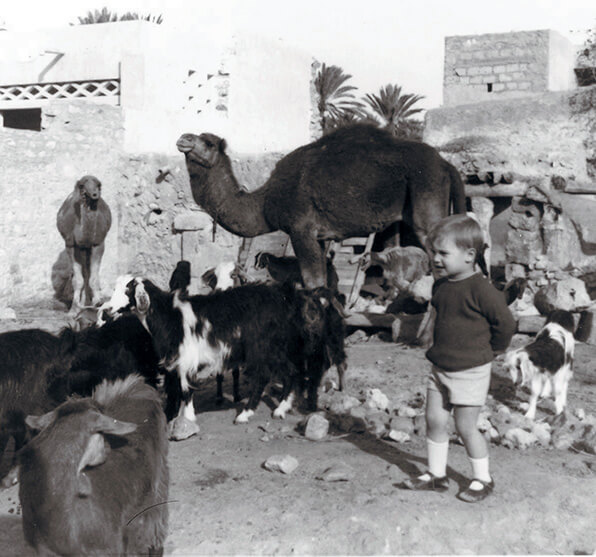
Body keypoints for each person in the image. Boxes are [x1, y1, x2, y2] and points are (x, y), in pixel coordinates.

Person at [400, 214, 516, 502]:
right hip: (439, 367)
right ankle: (437, 475)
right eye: (433, 252)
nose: (436, 259)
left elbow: (506, 322)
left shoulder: (483, 290)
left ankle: (482, 479)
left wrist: (495, 350)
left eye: (443, 253)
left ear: (469, 256)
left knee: (465, 427)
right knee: (434, 421)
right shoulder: (441, 286)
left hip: (470, 371)